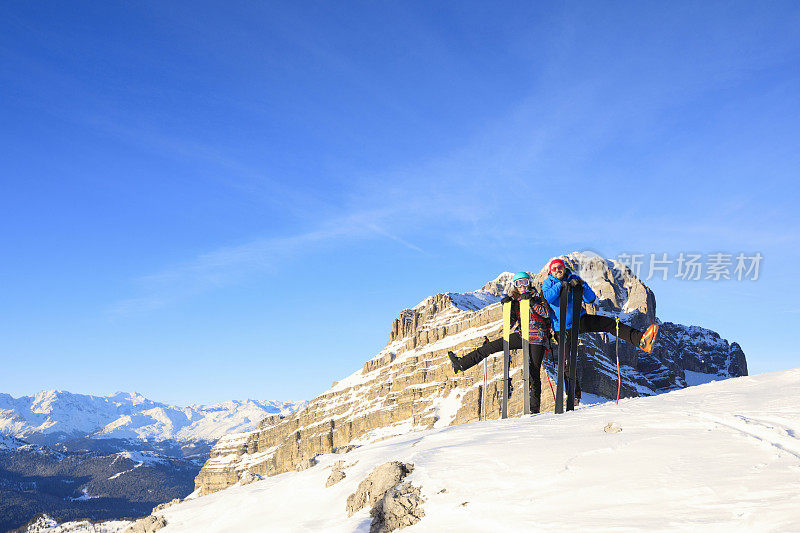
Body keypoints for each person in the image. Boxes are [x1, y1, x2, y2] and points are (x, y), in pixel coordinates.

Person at [542, 257, 660, 405]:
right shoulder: (548, 283)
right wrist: (562, 284)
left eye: (560, 268)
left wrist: (582, 285)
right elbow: (548, 298)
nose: (558, 270)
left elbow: (590, 299)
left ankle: (642, 341)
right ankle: (574, 396)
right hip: (562, 328)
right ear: (550, 272)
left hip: (580, 320)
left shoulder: (574, 278)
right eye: (555, 269)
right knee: (567, 363)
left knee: (610, 324)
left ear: (565, 269)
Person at [448, 272, 552, 413]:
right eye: (518, 283)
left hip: (537, 338)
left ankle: (534, 409)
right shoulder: (517, 301)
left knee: (533, 371)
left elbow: (546, 313)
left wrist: (532, 302)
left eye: (524, 282)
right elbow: (510, 324)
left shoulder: (538, 296)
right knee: (490, 347)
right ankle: (461, 364)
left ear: (529, 282)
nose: (522, 286)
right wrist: (507, 308)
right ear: (515, 286)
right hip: (522, 335)